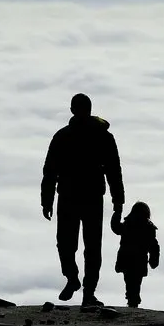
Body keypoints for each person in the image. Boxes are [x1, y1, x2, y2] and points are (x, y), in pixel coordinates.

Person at [41, 93, 125, 307]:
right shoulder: (63, 136)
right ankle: (74, 280)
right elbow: (50, 170)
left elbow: (113, 171)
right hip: (73, 197)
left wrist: (118, 202)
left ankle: (87, 292)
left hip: (88, 198)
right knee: (68, 245)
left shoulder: (101, 137)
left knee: (89, 247)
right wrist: (47, 199)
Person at [110, 201, 160, 308]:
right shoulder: (148, 228)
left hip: (128, 260)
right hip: (137, 262)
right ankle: (133, 301)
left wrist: (117, 212)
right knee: (135, 284)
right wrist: (153, 261)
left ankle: (132, 300)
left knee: (130, 283)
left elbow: (115, 227)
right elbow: (154, 246)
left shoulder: (129, 224)